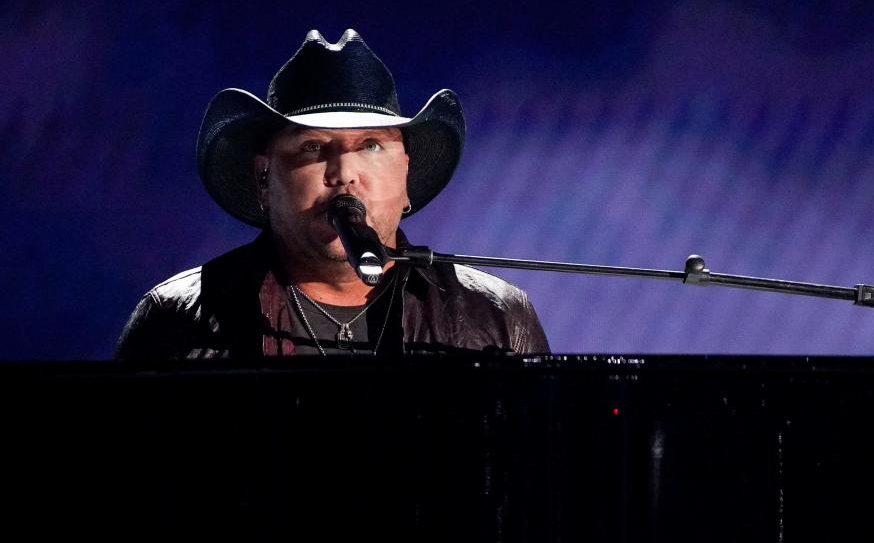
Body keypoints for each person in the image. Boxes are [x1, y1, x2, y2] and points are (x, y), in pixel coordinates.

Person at [116, 29, 549, 359]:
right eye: (313, 148)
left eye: (370, 146)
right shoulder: (176, 320)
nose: (344, 174)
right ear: (264, 179)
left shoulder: (495, 318)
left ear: (406, 175)